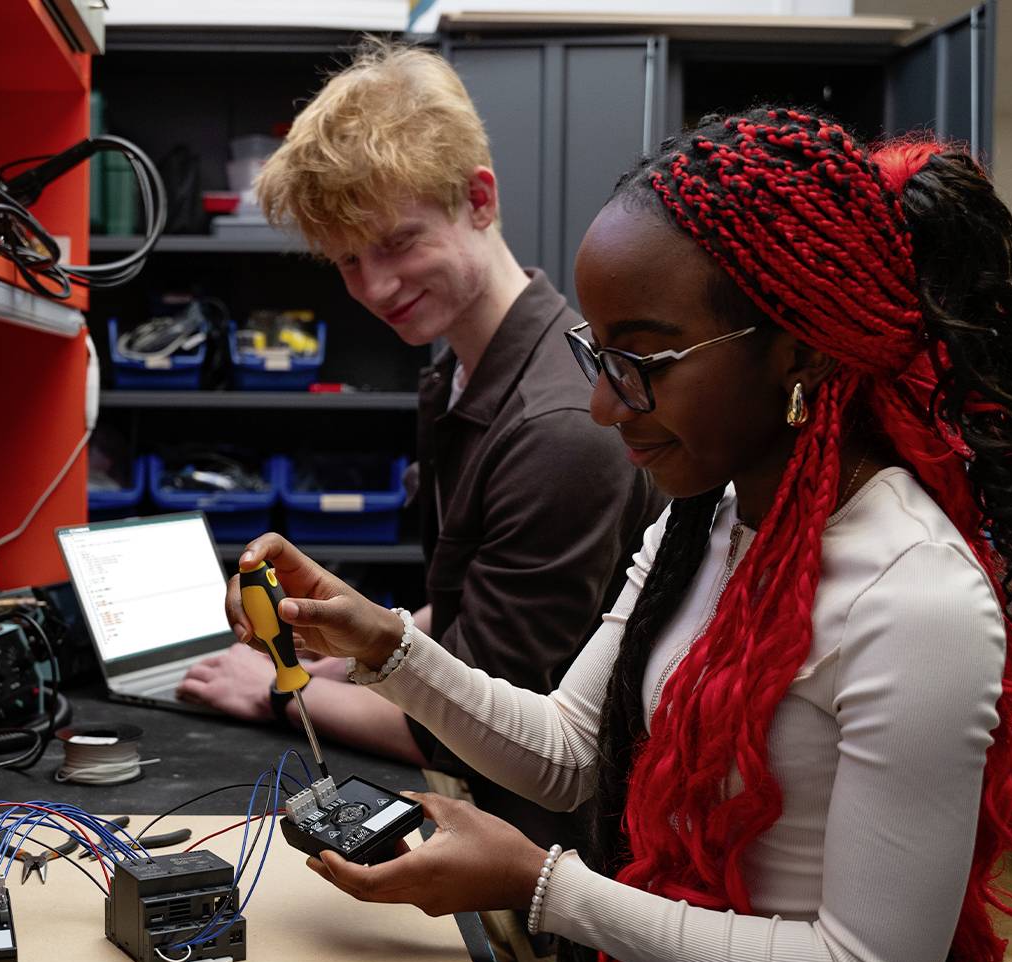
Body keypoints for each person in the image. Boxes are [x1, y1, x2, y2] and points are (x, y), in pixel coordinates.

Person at [223, 108, 1012, 962]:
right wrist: (386, 647)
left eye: (644, 363)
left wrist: (545, 886)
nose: (604, 406)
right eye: (598, 354)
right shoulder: (707, 511)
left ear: (801, 348)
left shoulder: (916, 600)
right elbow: (573, 751)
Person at [179, 40, 661, 852]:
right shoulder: (463, 378)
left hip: (537, 845)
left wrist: (279, 691)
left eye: (397, 244)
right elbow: (471, 607)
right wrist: (342, 658)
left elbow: (488, 726)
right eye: (346, 262)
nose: (373, 287)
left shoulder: (557, 428)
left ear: (478, 199)